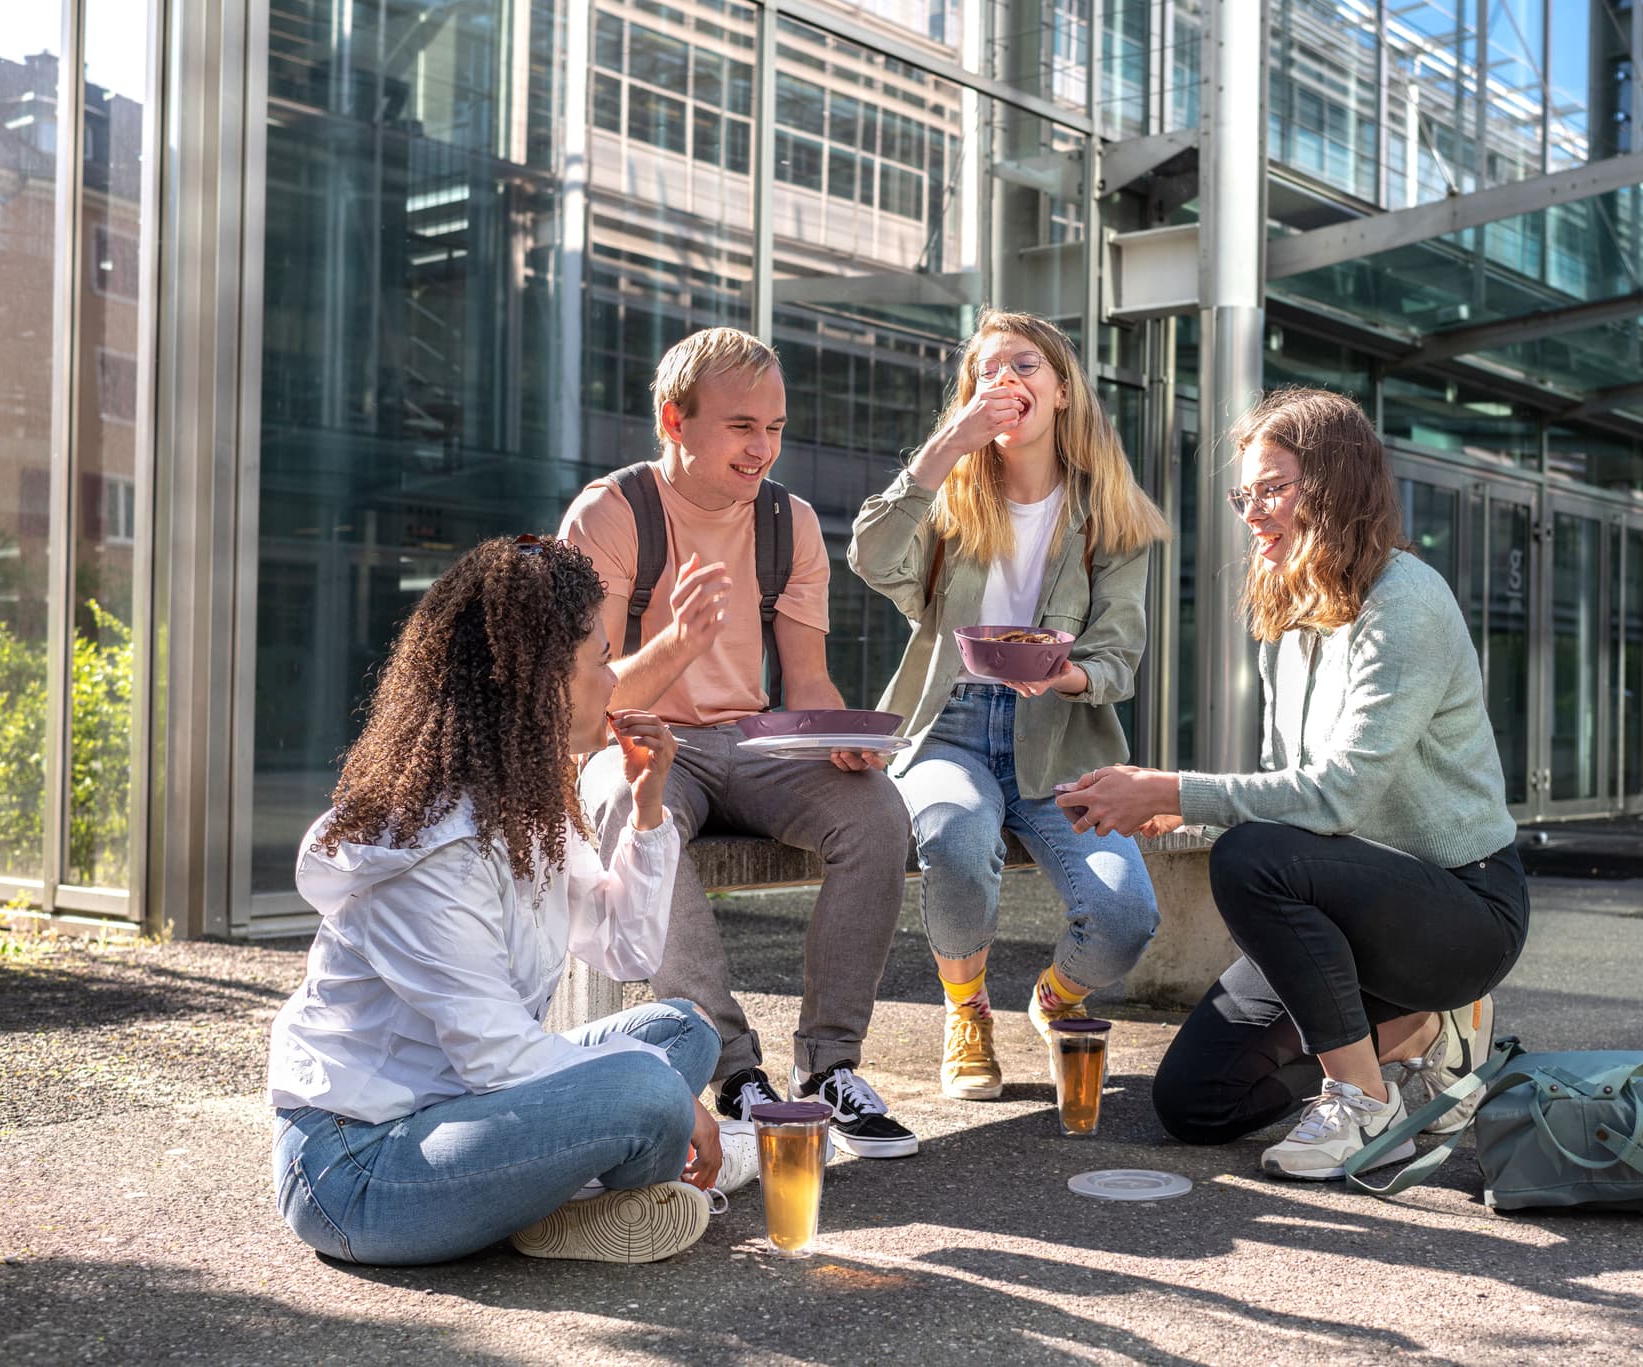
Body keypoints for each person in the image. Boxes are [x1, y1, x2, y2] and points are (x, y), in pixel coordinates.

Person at [1054, 389, 1530, 1181]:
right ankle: (1421, 1041)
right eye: (1246, 494)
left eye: (1271, 489)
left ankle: (1363, 1101)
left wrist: (1174, 790)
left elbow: (1338, 794)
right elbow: (1290, 783)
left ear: (1336, 483)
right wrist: (1179, 814)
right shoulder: (1290, 611)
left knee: (1250, 857)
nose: (1252, 511)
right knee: (1195, 1103)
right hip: (1347, 906)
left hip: (1461, 909)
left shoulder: (1405, 599)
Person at [270, 534, 744, 1266]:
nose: (615, 679)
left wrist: (649, 808)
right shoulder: (432, 855)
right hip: (360, 1165)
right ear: (540, 681)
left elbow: (626, 949)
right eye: (601, 658)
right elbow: (498, 1057)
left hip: (463, 1104)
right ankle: (579, 1196)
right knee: (650, 1092)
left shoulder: (522, 808)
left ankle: (556, 1204)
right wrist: (670, 1104)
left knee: (685, 1033)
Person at [558, 327, 917, 1159]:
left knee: (876, 811)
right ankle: (732, 1069)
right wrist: (679, 645)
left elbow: (809, 682)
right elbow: (588, 705)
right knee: (617, 791)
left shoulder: (789, 523)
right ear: (674, 421)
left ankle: (831, 1065)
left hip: (751, 743)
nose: (763, 449)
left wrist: (840, 737)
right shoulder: (609, 515)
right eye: (741, 426)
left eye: (776, 428)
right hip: (637, 739)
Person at [849, 311, 1169, 1101]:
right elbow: (869, 555)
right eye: (987, 372)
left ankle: (1055, 996)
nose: (1005, 381)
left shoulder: (1113, 512)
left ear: (1061, 392)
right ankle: (967, 1009)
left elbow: (1119, 654)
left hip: (1063, 740)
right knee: (955, 841)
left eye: (1024, 365)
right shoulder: (951, 497)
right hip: (949, 725)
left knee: (1126, 918)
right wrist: (943, 449)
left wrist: (1061, 675)